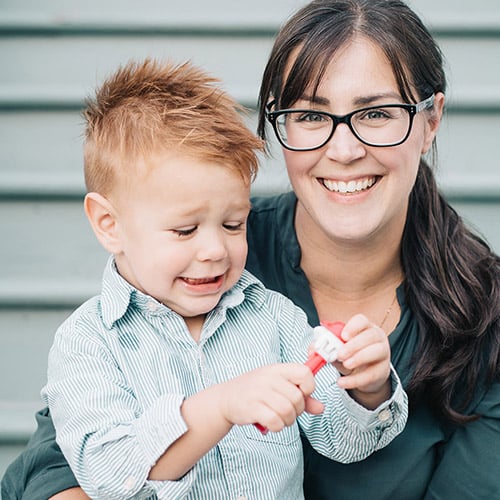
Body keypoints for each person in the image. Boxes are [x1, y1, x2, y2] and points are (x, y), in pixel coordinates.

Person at [2, 0, 500, 497]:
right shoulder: (203, 262)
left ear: (431, 119)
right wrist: (213, 409)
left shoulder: (483, 311)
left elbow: (347, 435)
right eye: (309, 115)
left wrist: (370, 394)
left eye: (376, 113)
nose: (344, 151)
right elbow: (63, 465)